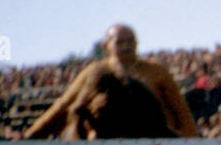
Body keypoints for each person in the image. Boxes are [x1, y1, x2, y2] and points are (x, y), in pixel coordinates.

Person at [25, 24, 197, 138]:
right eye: (120, 42)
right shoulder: (95, 72)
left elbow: (181, 112)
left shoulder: (157, 71)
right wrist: (30, 136)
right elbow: (63, 107)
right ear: (106, 46)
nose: (126, 46)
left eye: (130, 41)